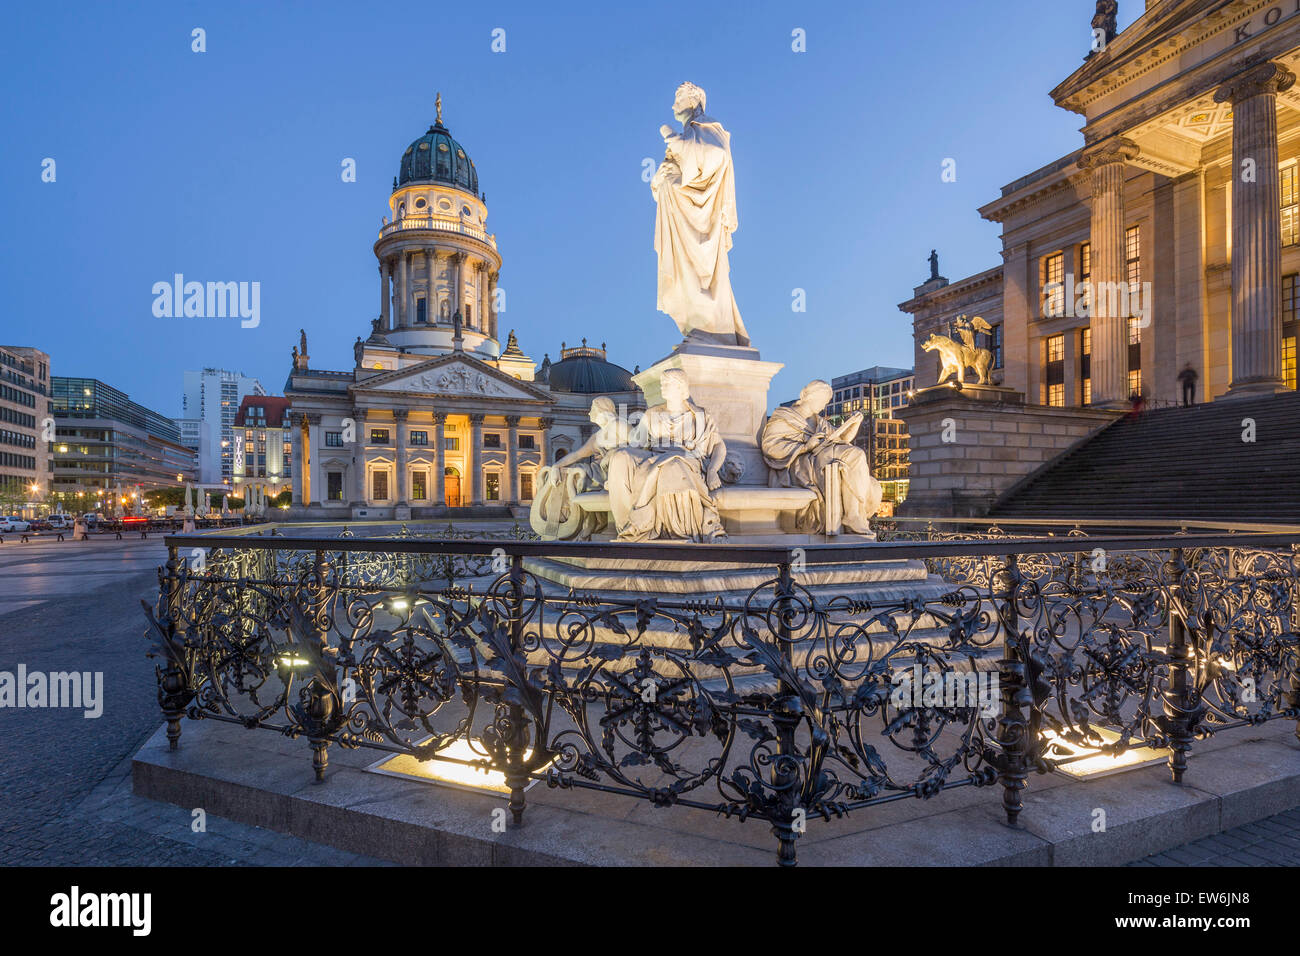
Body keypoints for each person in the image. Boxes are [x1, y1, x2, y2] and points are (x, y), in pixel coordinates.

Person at [604, 368, 726, 541]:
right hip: (654, 456)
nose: (663, 387)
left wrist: (713, 470)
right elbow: (635, 444)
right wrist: (612, 453)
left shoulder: (699, 416)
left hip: (686, 458)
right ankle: (629, 527)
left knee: (672, 466)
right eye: (663, 383)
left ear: (681, 387)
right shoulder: (651, 413)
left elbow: (718, 445)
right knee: (620, 457)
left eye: (668, 383)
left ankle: (676, 531)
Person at [760, 380, 883, 535]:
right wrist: (805, 446)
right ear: (809, 396)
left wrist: (854, 423)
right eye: (823, 401)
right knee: (855, 454)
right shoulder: (784, 417)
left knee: (855, 456)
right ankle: (853, 516)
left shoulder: (819, 422)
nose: (824, 405)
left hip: (821, 457)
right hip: (801, 464)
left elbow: (843, 439)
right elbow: (771, 447)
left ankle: (854, 515)